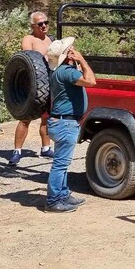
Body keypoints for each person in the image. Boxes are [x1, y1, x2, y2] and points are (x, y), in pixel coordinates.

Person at [45, 37, 96, 213]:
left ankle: (63, 194)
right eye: (70, 49)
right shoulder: (67, 71)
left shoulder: (59, 71)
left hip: (60, 121)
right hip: (65, 123)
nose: (73, 49)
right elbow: (91, 81)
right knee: (60, 164)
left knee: (62, 163)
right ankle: (53, 201)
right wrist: (82, 60)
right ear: (67, 55)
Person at [10, 11, 55, 165]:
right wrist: (45, 57)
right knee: (25, 119)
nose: (44, 26)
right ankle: (17, 151)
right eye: (40, 24)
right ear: (33, 26)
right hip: (32, 85)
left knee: (46, 117)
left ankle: (46, 148)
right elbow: (27, 58)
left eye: (46, 23)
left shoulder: (51, 39)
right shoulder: (29, 39)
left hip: (49, 82)